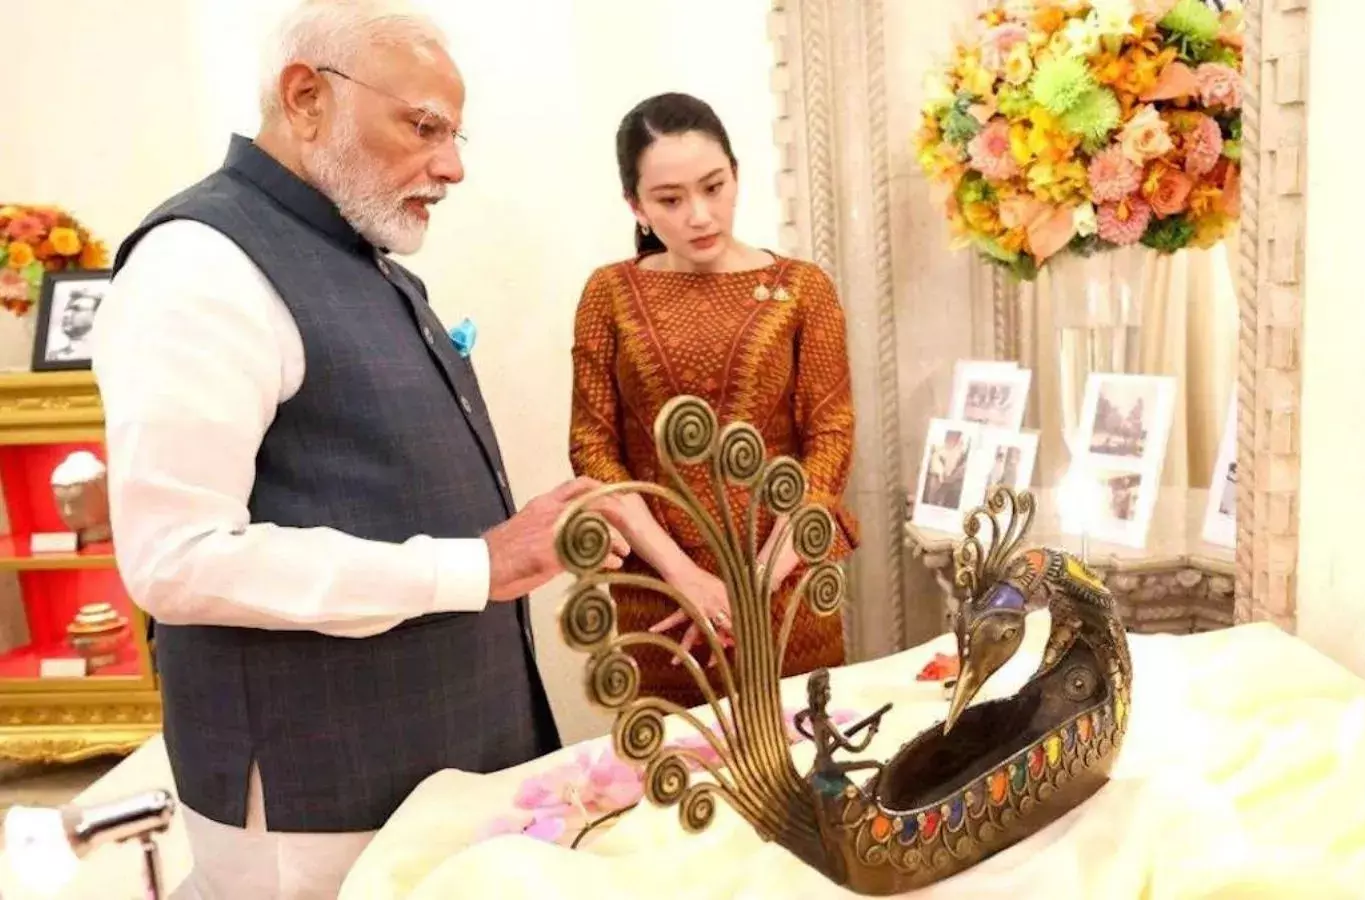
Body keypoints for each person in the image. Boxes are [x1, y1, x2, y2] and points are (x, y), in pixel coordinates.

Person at [93, 2, 626, 897]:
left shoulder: (356, 254)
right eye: (424, 127)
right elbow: (175, 560)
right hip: (319, 802)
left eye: (455, 133)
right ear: (306, 98)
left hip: (420, 773)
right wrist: (473, 565)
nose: (452, 166)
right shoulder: (200, 264)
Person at [568, 92, 859, 710]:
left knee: (806, 759)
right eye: (671, 200)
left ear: (735, 174)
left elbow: (830, 438)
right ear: (636, 206)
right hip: (660, 589)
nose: (699, 215)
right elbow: (593, 449)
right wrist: (682, 575)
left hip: (784, 578)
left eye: (714, 186)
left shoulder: (803, 288)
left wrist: (758, 582)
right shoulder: (609, 294)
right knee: (679, 777)